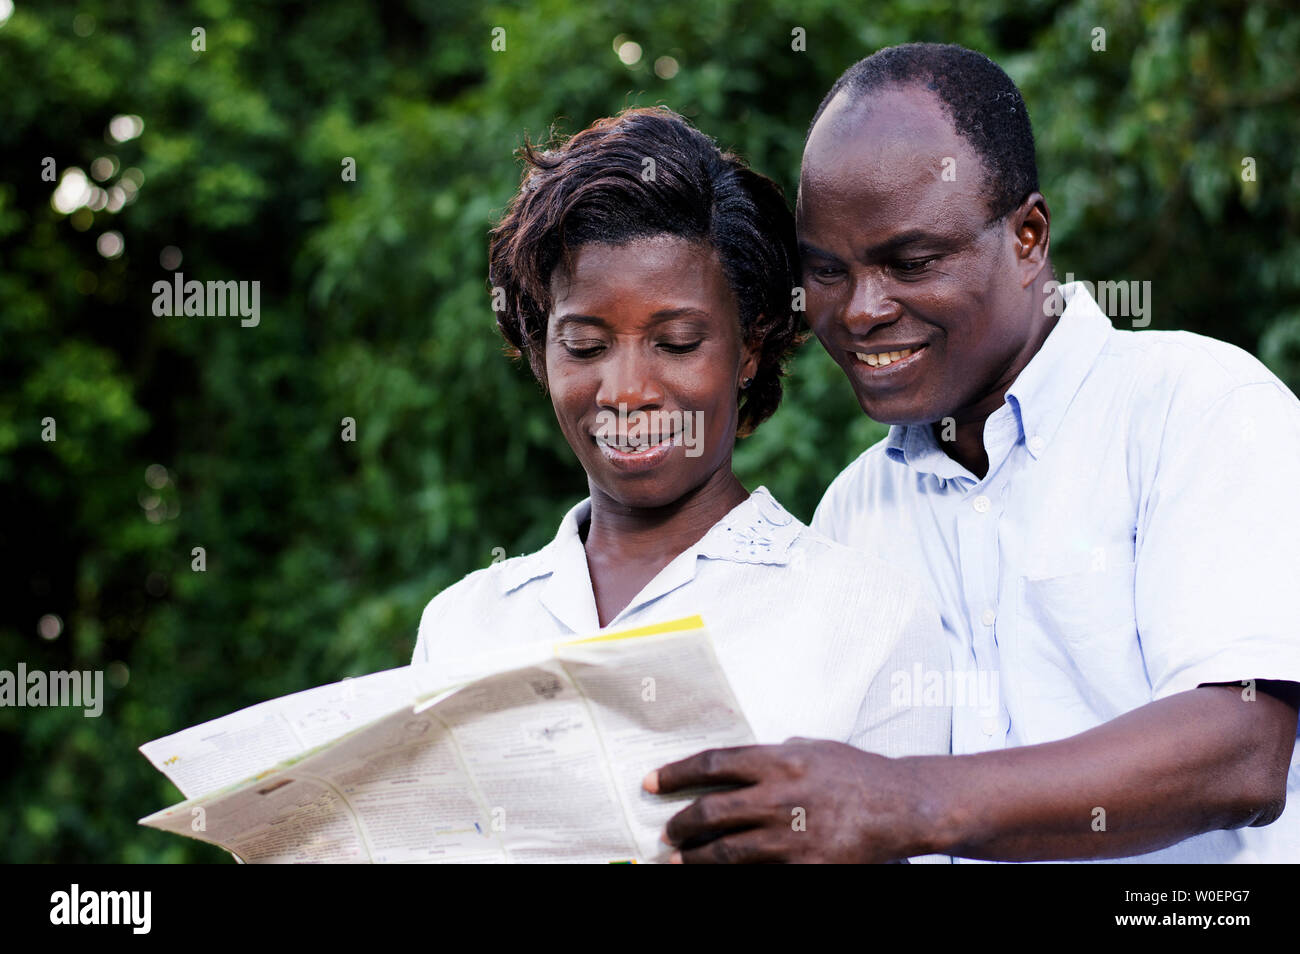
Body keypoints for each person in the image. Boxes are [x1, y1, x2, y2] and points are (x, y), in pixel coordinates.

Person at [648, 43, 1300, 863]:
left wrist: (910, 801)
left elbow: (1241, 752)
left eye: (911, 263)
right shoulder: (853, 512)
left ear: (1028, 238)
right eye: (827, 271)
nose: (861, 311)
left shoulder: (1198, 408)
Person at [411, 107, 950, 849]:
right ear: (541, 353)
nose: (626, 389)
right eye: (585, 345)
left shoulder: (868, 616)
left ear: (751, 346)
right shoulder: (464, 625)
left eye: (677, 342)